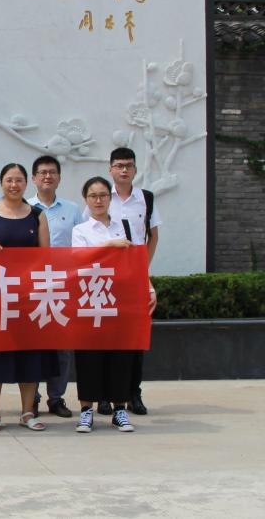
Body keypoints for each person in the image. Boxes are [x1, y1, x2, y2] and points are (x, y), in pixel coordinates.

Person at [0, 162, 58, 433]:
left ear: (26, 184)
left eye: (19, 180)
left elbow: (45, 256)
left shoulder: (37, 215)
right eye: (9, 180)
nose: (14, 185)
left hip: (28, 297)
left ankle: (27, 412)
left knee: (30, 356)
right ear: (1, 183)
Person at [72, 176, 157, 433]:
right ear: (86, 200)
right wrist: (110, 244)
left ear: (110, 198)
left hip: (122, 299)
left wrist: (149, 287)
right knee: (89, 355)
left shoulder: (125, 227)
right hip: (91, 299)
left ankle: (120, 408)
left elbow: (137, 261)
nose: (98, 201)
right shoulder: (81, 230)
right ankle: (86, 411)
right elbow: (80, 259)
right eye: (93, 196)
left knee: (121, 354)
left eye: (103, 195)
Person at [104, 147, 161, 416]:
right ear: (111, 169)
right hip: (108, 278)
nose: (124, 170)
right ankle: (105, 394)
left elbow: (153, 236)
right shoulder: (102, 197)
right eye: (119, 165)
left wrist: (143, 270)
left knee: (135, 338)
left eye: (128, 165)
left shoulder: (145, 198)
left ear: (135, 169)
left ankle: (133, 394)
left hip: (135, 277)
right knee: (106, 336)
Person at [28, 155, 84, 419]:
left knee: (62, 346)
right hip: (32, 285)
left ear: (59, 177)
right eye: (42, 172)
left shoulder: (72, 210)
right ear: (34, 178)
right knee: (34, 345)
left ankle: (56, 397)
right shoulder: (25, 208)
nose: (47, 176)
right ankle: (31, 397)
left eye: (52, 172)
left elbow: (82, 245)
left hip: (63, 285)